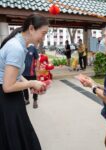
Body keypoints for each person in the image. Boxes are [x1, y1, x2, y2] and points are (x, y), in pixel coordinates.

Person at [0, 14, 49, 149]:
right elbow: (8, 86)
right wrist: (31, 83)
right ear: (32, 28)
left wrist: (28, 83)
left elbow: (15, 74)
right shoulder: (16, 48)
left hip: (10, 97)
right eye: (43, 33)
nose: (43, 38)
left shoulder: (19, 44)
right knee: (16, 136)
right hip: (6, 98)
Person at [22, 44, 39, 108]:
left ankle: (35, 100)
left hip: (32, 73)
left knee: (34, 87)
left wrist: (37, 67)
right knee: (24, 87)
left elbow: (37, 58)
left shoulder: (33, 48)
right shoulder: (21, 47)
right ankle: (26, 99)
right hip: (23, 73)